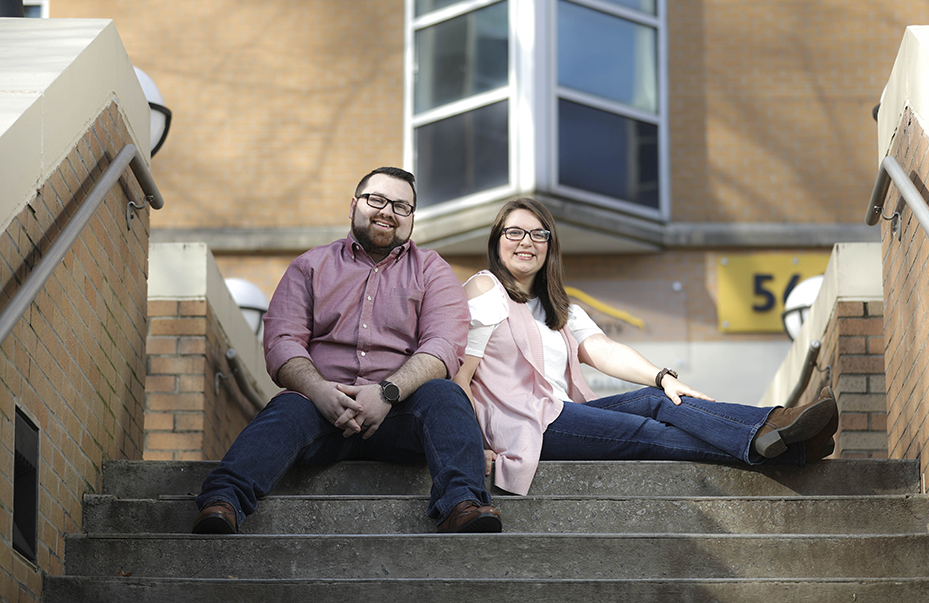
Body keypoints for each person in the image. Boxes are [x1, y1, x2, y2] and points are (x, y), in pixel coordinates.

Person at [453, 198, 839, 496]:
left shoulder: (556, 304)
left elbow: (603, 348)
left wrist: (662, 377)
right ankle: (781, 438)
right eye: (514, 233)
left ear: (549, 245)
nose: (527, 242)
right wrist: (472, 445)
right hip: (525, 428)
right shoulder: (485, 289)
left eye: (538, 234)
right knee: (647, 431)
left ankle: (780, 431)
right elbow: (461, 379)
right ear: (497, 241)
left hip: (561, 416)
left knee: (656, 399)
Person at [192, 167, 501, 533]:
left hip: (402, 415)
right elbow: (281, 342)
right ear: (354, 205)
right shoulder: (309, 266)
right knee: (288, 407)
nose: (388, 211)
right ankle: (223, 501)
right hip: (320, 411)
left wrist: (387, 393)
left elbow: (444, 347)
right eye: (377, 200)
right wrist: (320, 391)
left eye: (402, 206)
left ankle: (462, 503)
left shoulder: (433, 271)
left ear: (411, 218)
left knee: (445, 394)